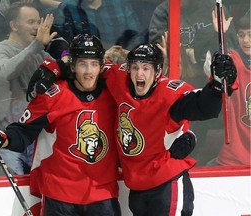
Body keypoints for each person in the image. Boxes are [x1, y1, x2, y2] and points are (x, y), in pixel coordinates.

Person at [25, 40, 238, 215]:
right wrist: (51, 68)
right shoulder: (118, 79)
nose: (139, 74)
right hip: (138, 189)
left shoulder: (169, 93)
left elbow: (202, 107)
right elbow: (82, 60)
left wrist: (217, 84)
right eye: (135, 67)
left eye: (146, 68)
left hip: (166, 185)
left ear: (158, 72)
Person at [0, 34, 122, 216]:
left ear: (101, 66)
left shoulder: (114, 93)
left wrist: (54, 66)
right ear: (72, 66)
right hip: (60, 194)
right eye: (82, 64)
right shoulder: (55, 95)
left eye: (94, 64)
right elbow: (23, 131)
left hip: (103, 193)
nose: (89, 71)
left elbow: (140, 84)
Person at [0, 2, 57, 175]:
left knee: (33, 195)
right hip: (2, 136)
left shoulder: (41, 54)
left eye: (39, 22)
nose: (37, 27)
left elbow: (62, 69)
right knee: (8, 197)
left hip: (31, 135)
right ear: (14, 25)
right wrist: (37, 44)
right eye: (31, 22)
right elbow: (6, 72)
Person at [206, 11, 250, 166]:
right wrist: (219, 36)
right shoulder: (234, 60)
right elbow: (217, 65)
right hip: (234, 157)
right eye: (241, 35)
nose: (245, 40)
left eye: (250, 35)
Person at [149, 0, 237, 68]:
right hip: (178, 73)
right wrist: (185, 55)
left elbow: (232, 48)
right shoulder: (164, 11)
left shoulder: (216, 9)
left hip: (209, 74)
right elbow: (157, 51)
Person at [53, 0, 146, 50]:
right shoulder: (68, 7)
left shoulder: (120, 3)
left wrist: (126, 52)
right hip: (87, 67)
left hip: (121, 63)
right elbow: (63, 45)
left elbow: (137, 35)